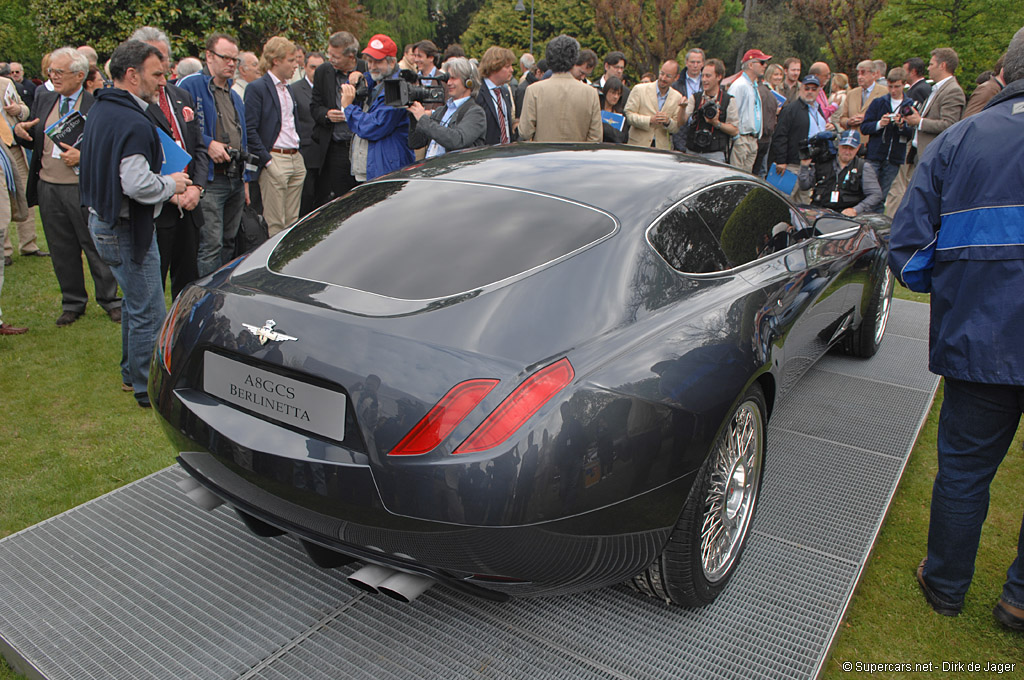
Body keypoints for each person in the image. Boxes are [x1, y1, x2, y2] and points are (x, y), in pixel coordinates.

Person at [888, 25, 1024, 631]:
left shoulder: (964, 138)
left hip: (980, 338)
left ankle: (945, 586)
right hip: (982, 333)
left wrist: (953, 290)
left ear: (1004, 70)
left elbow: (910, 249)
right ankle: (1017, 601)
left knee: (965, 470)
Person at [80, 40, 190, 407]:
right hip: (125, 227)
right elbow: (136, 183)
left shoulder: (103, 107)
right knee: (150, 310)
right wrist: (171, 184)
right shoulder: (131, 119)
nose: (164, 81)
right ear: (132, 74)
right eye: (157, 74)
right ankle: (148, 388)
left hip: (105, 222)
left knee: (135, 304)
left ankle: (132, 375)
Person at [13, 47, 121, 326]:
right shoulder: (44, 97)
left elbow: (112, 149)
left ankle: (110, 300)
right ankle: (72, 302)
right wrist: (22, 133)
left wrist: (84, 158)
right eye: (51, 71)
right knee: (61, 248)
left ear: (80, 75)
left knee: (95, 246)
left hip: (83, 188)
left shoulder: (97, 103)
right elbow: (41, 138)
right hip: (49, 187)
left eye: (59, 72)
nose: (52, 77)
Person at [130, 26, 207, 299]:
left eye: (163, 57)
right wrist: (171, 193)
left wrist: (196, 187)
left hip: (190, 204)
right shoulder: (133, 105)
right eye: (154, 58)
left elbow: (198, 147)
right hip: (157, 208)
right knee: (151, 286)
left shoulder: (180, 96)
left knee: (188, 281)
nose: (162, 65)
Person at [177, 33, 252, 278]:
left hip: (235, 178)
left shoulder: (234, 94)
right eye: (226, 58)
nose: (231, 63)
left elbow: (244, 137)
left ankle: (222, 291)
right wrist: (208, 144)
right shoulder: (190, 85)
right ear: (209, 56)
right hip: (209, 178)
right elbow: (179, 126)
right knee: (211, 244)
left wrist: (246, 181)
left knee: (230, 240)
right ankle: (205, 297)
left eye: (235, 59)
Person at [245, 36, 306, 236]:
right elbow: (250, 129)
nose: (295, 65)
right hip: (275, 157)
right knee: (275, 224)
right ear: (275, 61)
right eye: (290, 60)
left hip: (295, 157)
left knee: (293, 223)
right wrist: (268, 162)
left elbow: (291, 123)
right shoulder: (257, 88)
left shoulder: (288, 88)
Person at [339, 33, 413, 180]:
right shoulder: (375, 81)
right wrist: (359, 79)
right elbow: (370, 79)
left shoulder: (398, 89)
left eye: (378, 62)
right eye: (369, 61)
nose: (372, 66)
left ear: (392, 62)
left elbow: (374, 126)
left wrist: (348, 107)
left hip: (387, 170)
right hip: (374, 167)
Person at [310, 32, 366, 207]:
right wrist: (326, 115)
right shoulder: (323, 72)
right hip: (336, 147)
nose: (330, 59)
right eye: (329, 54)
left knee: (363, 198)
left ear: (350, 56)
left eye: (335, 56)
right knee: (342, 202)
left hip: (361, 146)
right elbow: (314, 106)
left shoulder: (366, 69)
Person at [518, 35, 602, 143]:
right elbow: (596, 137)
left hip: (544, 156)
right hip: (577, 157)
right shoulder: (590, 93)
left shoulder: (534, 90)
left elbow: (525, 131)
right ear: (574, 59)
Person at [1, 70, 46, 266]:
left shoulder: (6, 83)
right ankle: (5, 250)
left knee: (24, 194)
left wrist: (18, 111)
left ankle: (29, 244)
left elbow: (25, 110)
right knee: (2, 197)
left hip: (14, 145)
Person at [407, 57, 486, 158]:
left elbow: (457, 140)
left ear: (469, 82)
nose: (448, 83)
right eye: (448, 78)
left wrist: (423, 119)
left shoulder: (476, 112)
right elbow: (415, 143)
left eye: (454, 78)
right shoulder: (441, 111)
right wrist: (414, 116)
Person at [773, 74, 832, 203]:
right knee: (782, 201)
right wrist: (781, 160)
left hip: (811, 166)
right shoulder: (790, 109)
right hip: (791, 165)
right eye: (807, 88)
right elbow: (780, 135)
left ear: (818, 91)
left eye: (813, 89)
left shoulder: (818, 110)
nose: (810, 92)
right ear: (801, 89)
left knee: (803, 205)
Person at [798, 129, 881, 216]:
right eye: (844, 147)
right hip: (820, 211)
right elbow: (804, 186)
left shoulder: (863, 167)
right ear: (838, 145)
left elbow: (875, 194)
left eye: (851, 148)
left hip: (846, 215)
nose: (847, 152)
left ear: (858, 148)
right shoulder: (822, 163)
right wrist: (804, 166)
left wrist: (856, 209)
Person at [859, 67, 912, 204]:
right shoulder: (879, 102)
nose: (893, 90)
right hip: (875, 154)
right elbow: (864, 127)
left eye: (897, 87)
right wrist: (880, 124)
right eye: (890, 86)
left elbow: (912, 133)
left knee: (882, 195)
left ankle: (876, 221)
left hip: (894, 157)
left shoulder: (909, 105)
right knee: (867, 191)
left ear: (904, 85)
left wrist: (901, 126)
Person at [680, 58, 736, 162]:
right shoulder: (695, 98)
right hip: (693, 150)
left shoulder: (728, 100)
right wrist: (682, 109)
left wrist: (717, 123)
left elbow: (735, 130)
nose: (704, 80)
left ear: (719, 77)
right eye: (703, 76)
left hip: (715, 153)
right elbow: (682, 121)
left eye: (708, 76)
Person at [291, 51, 324, 217]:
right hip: (305, 154)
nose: (315, 72)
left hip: (325, 155)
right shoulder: (294, 90)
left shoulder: (329, 90)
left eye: (319, 68)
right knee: (305, 201)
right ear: (304, 67)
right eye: (312, 67)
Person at [624, 60, 682, 149]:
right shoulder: (639, 89)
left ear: (676, 78)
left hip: (661, 148)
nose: (663, 78)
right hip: (638, 145)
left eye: (668, 76)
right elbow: (629, 115)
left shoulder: (677, 97)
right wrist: (649, 120)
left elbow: (676, 127)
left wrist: (667, 122)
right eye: (662, 73)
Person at [728, 49, 770, 172]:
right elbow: (732, 113)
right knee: (736, 175)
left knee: (746, 177)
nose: (765, 66)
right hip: (742, 138)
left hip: (752, 139)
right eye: (761, 63)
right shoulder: (739, 85)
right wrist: (737, 138)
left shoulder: (753, 85)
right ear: (751, 65)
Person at [476, 46, 517, 145]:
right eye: (507, 67)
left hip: (506, 154)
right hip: (486, 154)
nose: (512, 70)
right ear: (494, 67)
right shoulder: (477, 93)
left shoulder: (504, 91)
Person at [599, 76, 629, 143]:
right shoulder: (597, 109)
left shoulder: (621, 114)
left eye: (618, 94)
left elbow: (624, 138)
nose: (616, 97)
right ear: (606, 91)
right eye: (613, 93)